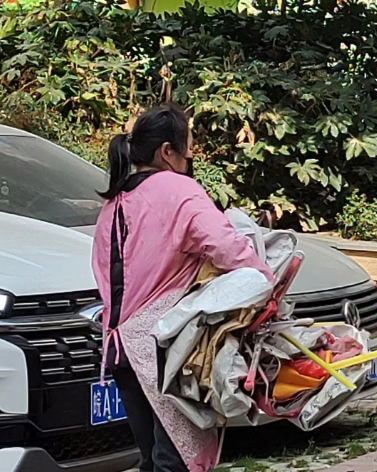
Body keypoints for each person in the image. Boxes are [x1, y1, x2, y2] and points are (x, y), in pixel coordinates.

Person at [92, 104, 274, 472]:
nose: (190, 159)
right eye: (187, 151)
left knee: (151, 458)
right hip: (166, 351)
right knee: (175, 460)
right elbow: (224, 245)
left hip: (119, 350)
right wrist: (264, 280)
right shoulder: (177, 189)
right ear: (167, 152)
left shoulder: (114, 202)